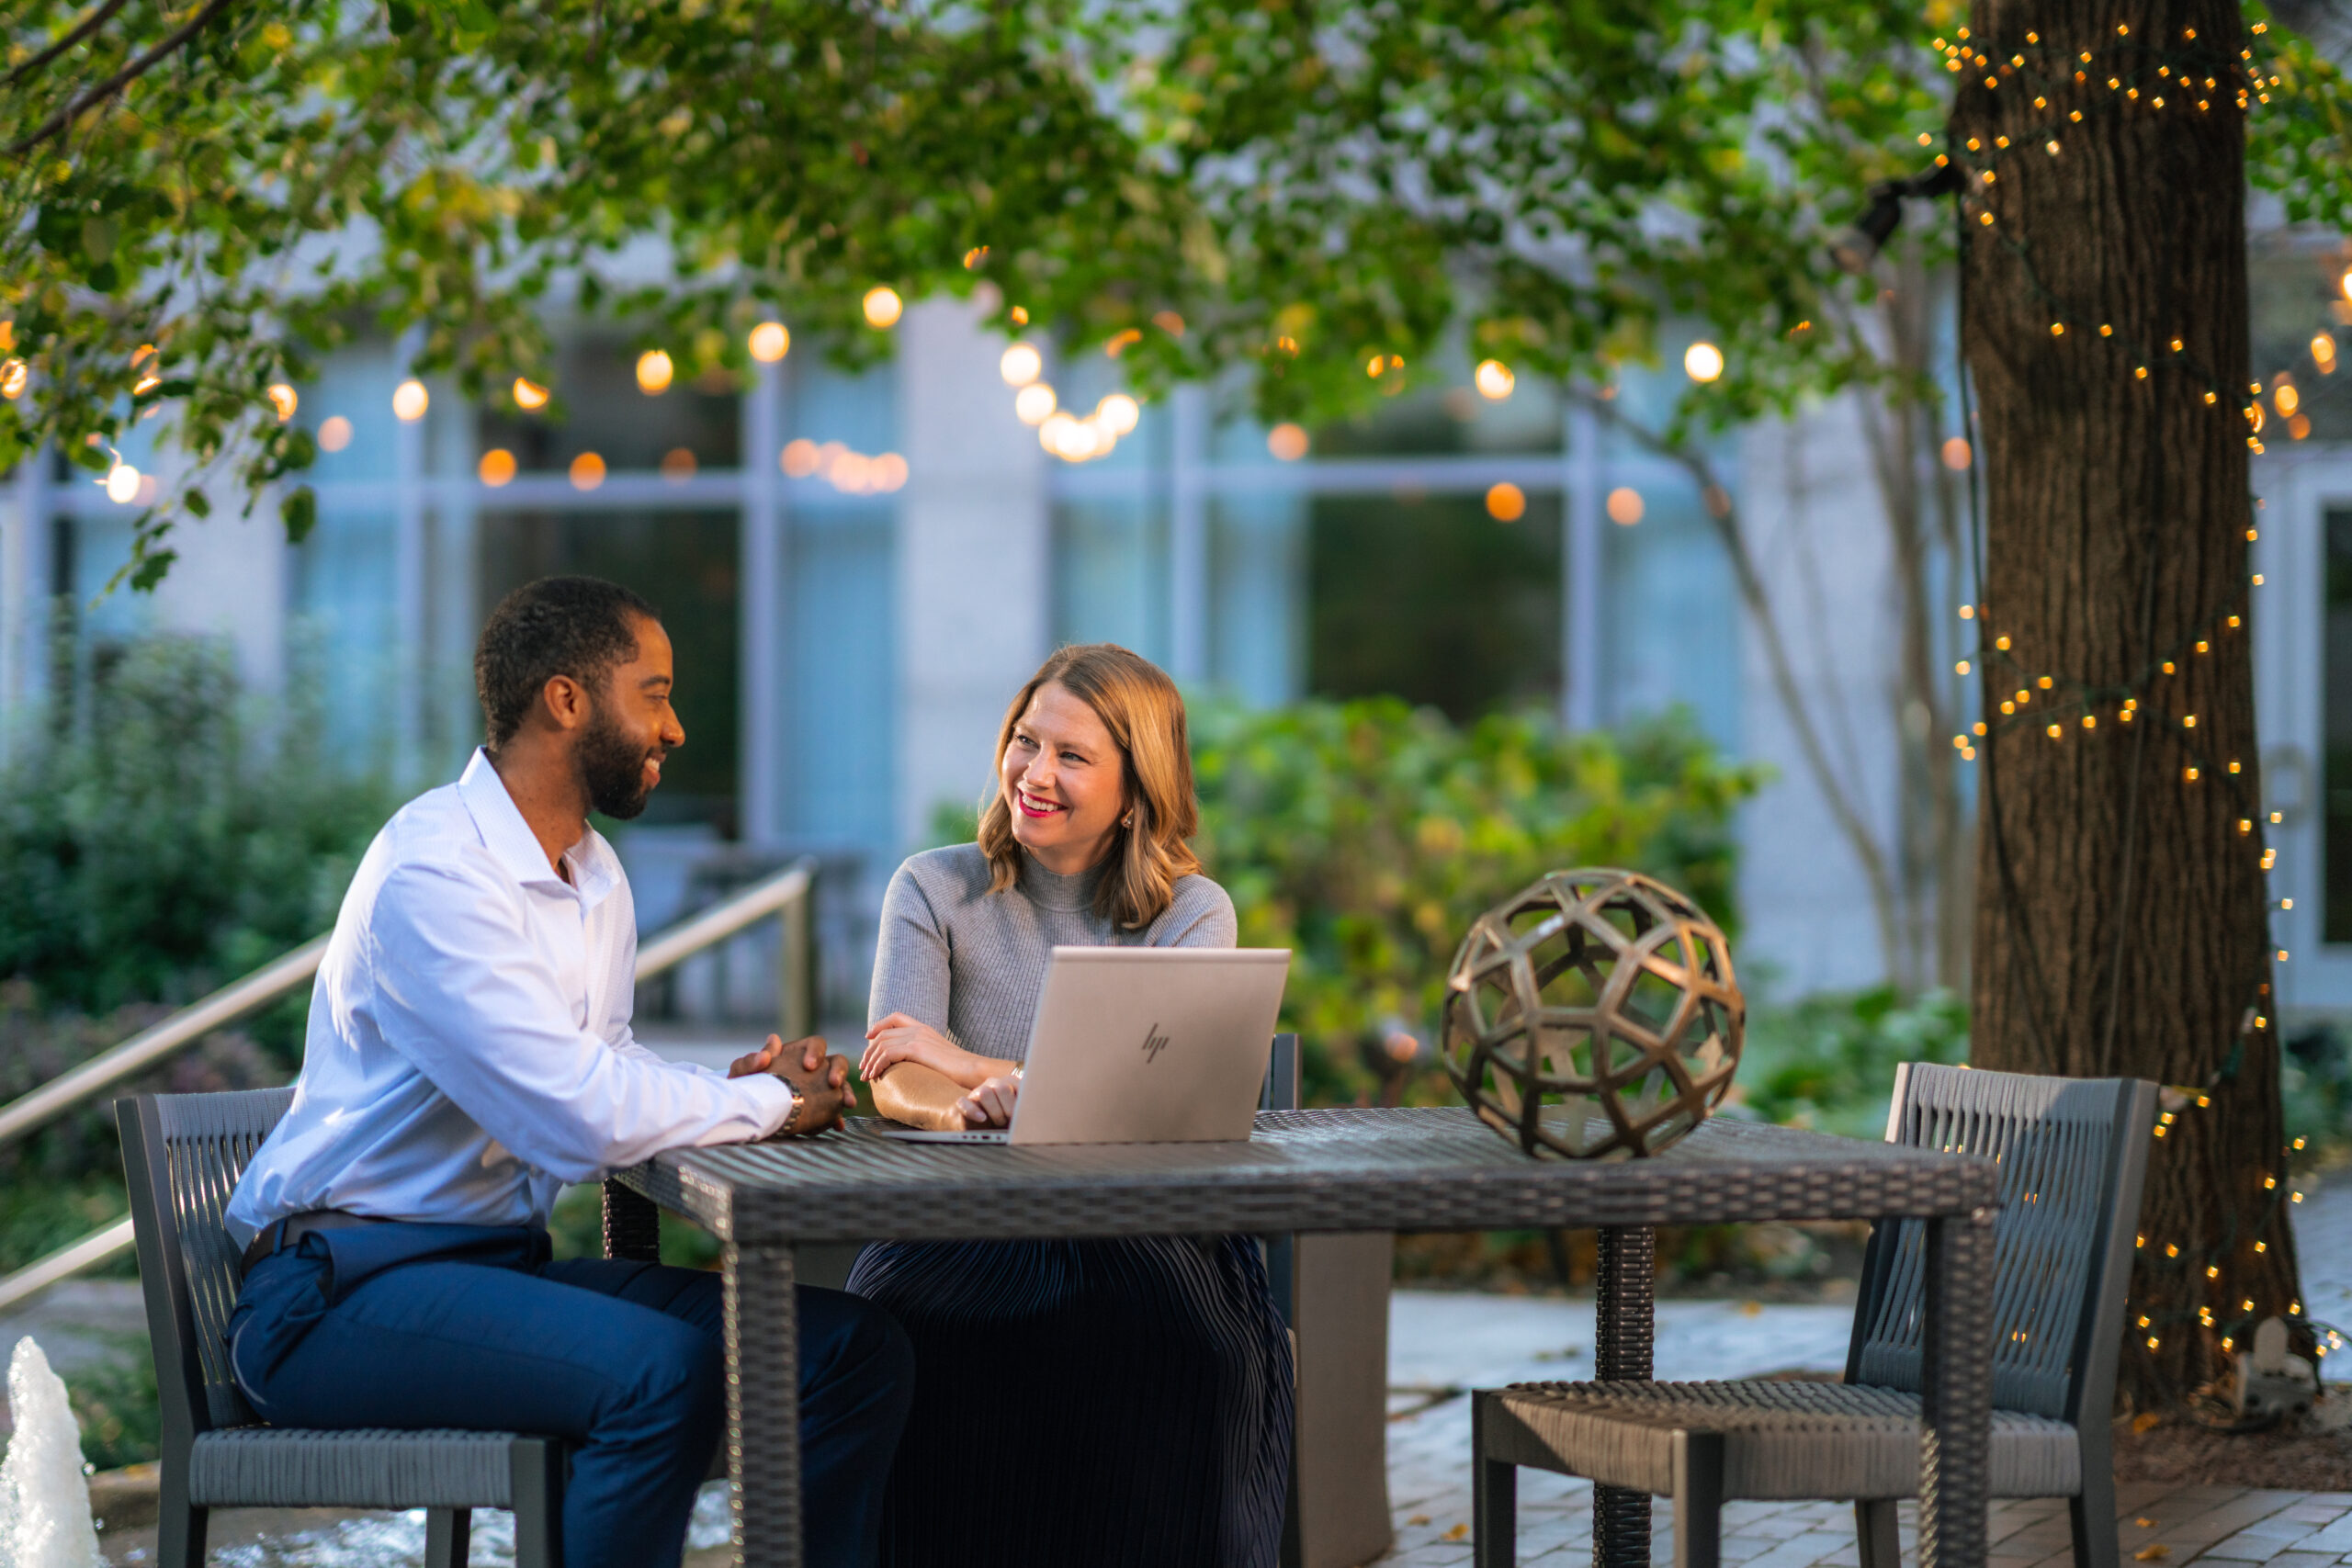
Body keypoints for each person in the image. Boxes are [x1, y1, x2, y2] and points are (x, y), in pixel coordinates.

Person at [223, 576, 914, 1568]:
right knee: (661, 1375)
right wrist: (760, 1103)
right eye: (656, 692)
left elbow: (601, 1068)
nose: (674, 727)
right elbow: (576, 1116)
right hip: (335, 1299)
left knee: (852, 1351)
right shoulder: (435, 877)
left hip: (491, 1273)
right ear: (566, 700)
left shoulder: (590, 871)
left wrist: (729, 1087)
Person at [847, 642, 1294, 1568]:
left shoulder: (1191, 911)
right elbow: (895, 1070)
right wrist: (972, 1102)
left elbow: (1154, 1097)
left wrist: (980, 1068)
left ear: (1136, 788)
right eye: (1024, 741)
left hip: (1146, 1228)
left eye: (1072, 756)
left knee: (1187, 1351)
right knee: (906, 1333)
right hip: (960, 1225)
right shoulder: (933, 887)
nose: (1033, 774)